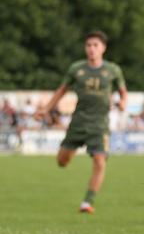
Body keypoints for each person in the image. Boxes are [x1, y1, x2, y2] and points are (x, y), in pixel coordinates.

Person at [36, 31, 127, 214]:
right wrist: (46, 108)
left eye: (95, 45)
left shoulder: (112, 70)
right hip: (78, 122)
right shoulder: (76, 69)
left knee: (100, 161)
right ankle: (74, 149)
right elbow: (62, 90)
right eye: (88, 45)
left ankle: (87, 202)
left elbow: (123, 91)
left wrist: (123, 102)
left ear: (103, 48)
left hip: (99, 124)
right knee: (62, 161)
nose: (92, 49)